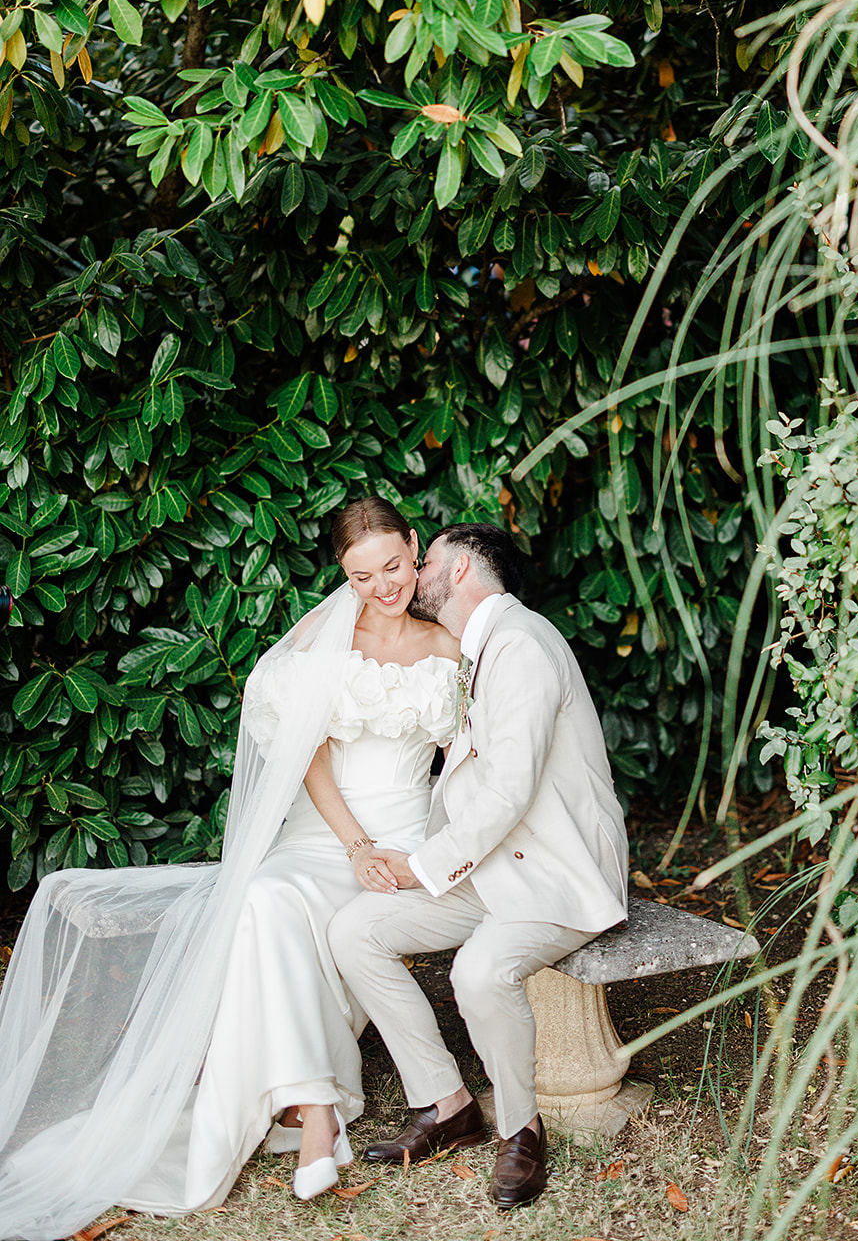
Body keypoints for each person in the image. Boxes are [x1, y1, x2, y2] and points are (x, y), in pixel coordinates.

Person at [0, 496, 459, 1240]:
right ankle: (315, 1114)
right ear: (343, 575)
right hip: (330, 837)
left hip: (404, 838)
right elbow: (307, 756)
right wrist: (354, 846)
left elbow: (465, 764)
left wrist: (426, 854)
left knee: (276, 911)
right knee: (266, 895)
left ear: (414, 549)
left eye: (395, 566)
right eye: (362, 574)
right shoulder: (329, 637)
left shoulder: (447, 647)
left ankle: (314, 1115)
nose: (383, 586)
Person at [327, 521, 629, 1212]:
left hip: (555, 872)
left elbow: (508, 790)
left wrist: (421, 866)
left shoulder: (520, 645)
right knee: (354, 932)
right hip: (496, 868)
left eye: (423, 560)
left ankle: (521, 1131)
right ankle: (448, 1104)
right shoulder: (481, 646)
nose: (411, 574)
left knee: (479, 970)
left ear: (459, 569)